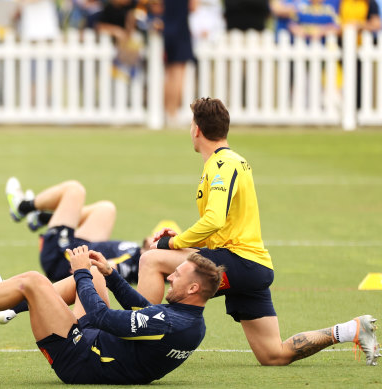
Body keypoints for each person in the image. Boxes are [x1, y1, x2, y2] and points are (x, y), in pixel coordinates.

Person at [136, 97, 380, 366]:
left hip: (237, 261)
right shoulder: (231, 162)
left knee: (151, 260)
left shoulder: (222, 165)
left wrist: (174, 243)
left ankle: (135, 338)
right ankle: (351, 329)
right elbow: (223, 226)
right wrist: (184, 241)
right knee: (273, 355)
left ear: (197, 129)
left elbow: (214, 219)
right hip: (253, 266)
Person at [0, 245, 225, 384]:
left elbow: (103, 317)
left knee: (33, 280)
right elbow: (143, 309)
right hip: (95, 346)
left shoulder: (172, 324)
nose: (171, 277)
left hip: (79, 360)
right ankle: (9, 305)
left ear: (194, 288)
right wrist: (110, 274)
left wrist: (81, 273)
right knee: (96, 277)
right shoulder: (190, 320)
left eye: (178, 275)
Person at [5, 177, 164, 284]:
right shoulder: (137, 254)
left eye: (157, 240)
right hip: (79, 246)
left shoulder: (132, 263)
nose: (152, 237)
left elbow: (106, 270)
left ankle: (22, 207)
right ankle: (40, 218)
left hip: (61, 258)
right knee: (106, 209)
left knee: (75, 190)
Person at [162, 0, 197, 127]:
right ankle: (172, 113)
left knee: (169, 74)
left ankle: (167, 112)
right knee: (178, 75)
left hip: (166, 28)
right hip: (180, 30)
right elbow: (193, 7)